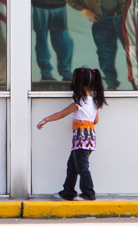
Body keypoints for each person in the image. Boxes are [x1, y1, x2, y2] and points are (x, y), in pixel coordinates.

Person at [36, 67, 106, 201]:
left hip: (81, 138)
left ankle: (88, 193)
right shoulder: (94, 101)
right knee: (73, 165)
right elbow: (95, 120)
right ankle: (68, 191)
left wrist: (46, 119)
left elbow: (62, 113)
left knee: (82, 167)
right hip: (89, 137)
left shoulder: (80, 102)